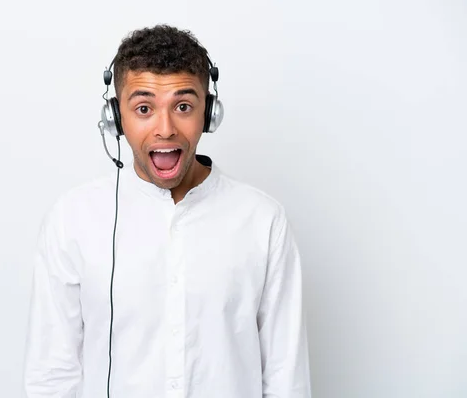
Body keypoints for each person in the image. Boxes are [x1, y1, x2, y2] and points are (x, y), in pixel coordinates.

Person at [23, 24, 311, 398]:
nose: (165, 128)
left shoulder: (263, 221)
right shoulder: (72, 220)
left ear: (209, 113)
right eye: (144, 108)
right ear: (116, 118)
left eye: (183, 107)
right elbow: (51, 374)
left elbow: (286, 377)